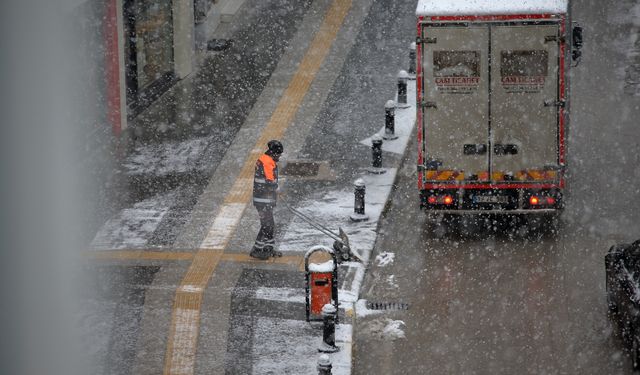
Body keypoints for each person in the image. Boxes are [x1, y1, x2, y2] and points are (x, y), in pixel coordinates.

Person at [250, 140, 284, 260]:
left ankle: (268, 248)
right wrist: (277, 189)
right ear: (273, 153)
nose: (279, 156)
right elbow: (270, 181)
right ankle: (257, 249)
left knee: (269, 224)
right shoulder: (267, 162)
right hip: (263, 199)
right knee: (267, 225)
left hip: (264, 199)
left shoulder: (266, 159)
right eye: (279, 154)